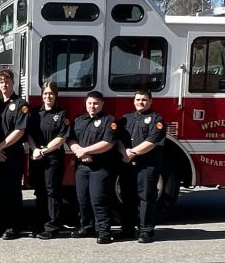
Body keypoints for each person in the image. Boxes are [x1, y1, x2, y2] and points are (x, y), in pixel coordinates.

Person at [67, 91, 119, 244]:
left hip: (100, 167)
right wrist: (78, 151)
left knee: (98, 199)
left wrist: (85, 150)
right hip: (82, 167)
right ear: (86, 103)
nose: (92, 106)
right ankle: (87, 227)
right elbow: (70, 139)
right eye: (90, 103)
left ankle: (104, 231)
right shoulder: (79, 120)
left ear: (102, 104)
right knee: (82, 199)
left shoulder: (109, 121)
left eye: (96, 103)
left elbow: (108, 143)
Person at [117, 90, 166, 243]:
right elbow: (117, 139)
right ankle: (127, 229)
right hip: (128, 164)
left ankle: (146, 231)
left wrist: (133, 153)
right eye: (138, 99)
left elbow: (152, 141)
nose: (141, 102)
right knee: (127, 196)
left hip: (147, 165)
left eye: (144, 100)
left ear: (151, 101)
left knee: (146, 198)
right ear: (133, 101)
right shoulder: (126, 118)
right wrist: (124, 151)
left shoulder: (156, 119)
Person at [0, 69, 30, 239]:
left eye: (7, 82)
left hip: (13, 155)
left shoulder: (21, 104)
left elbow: (20, 131)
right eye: (1, 82)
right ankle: (1, 223)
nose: (4, 85)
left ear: (13, 83)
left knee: (12, 191)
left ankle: (13, 226)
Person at [26, 82, 71, 240]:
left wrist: (44, 150)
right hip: (37, 156)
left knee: (52, 191)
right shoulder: (35, 113)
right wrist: (34, 149)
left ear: (55, 95)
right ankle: (39, 224)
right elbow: (29, 134)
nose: (48, 96)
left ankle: (52, 226)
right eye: (45, 94)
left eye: (51, 94)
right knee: (40, 191)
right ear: (42, 95)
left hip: (52, 157)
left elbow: (61, 138)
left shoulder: (62, 114)